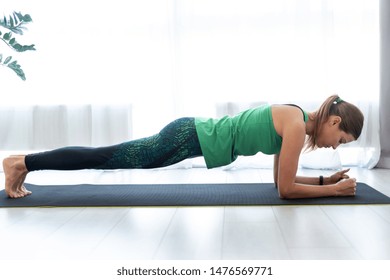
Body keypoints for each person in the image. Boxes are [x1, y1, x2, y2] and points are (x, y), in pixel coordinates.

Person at [3, 95, 363, 199]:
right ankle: (22, 162)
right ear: (333, 122)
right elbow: (285, 190)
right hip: (187, 136)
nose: (335, 147)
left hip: (189, 134)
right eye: (341, 140)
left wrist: (325, 182)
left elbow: (278, 181)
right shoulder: (297, 125)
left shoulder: (295, 117)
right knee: (107, 155)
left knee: (108, 153)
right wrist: (332, 191)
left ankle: (23, 162)